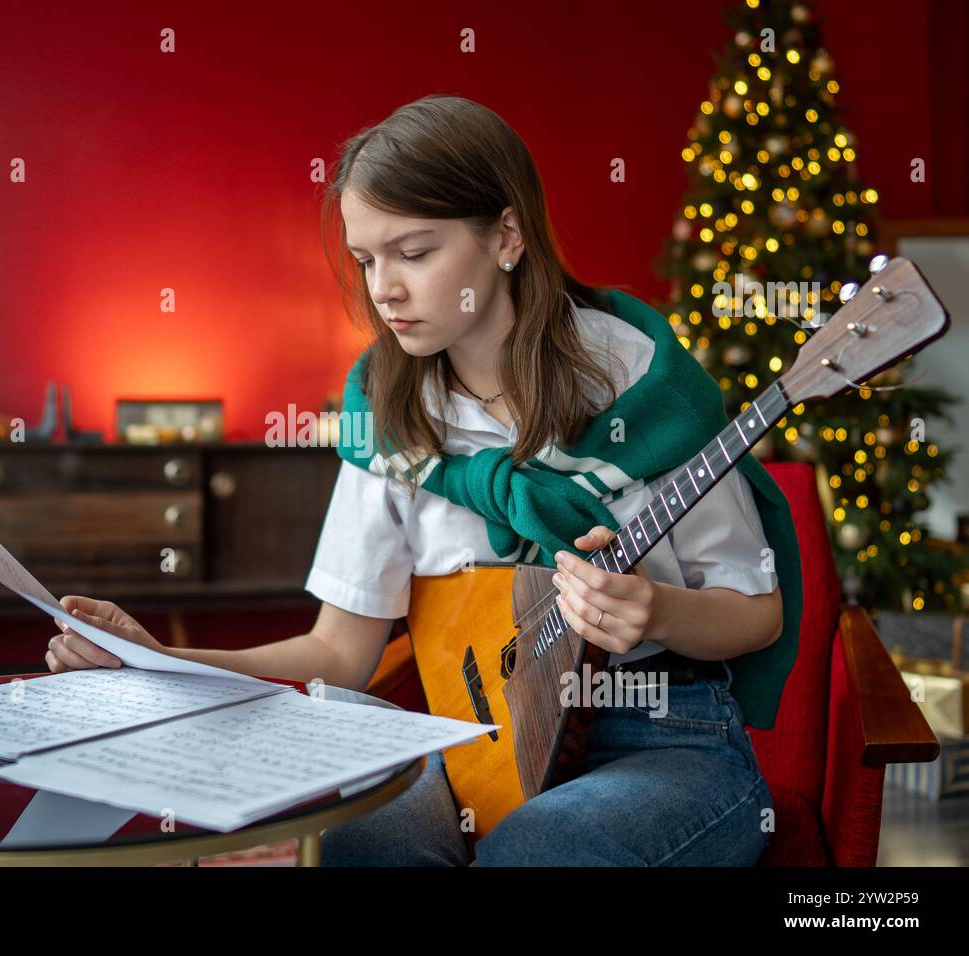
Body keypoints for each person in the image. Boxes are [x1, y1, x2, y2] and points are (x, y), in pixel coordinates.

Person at [45, 94, 794, 866]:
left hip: (666, 738)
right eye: (367, 259)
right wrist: (159, 662)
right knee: (360, 840)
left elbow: (757, 613)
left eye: (414, 253)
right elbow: (338, 654)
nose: (384, 290)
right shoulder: (390, 414)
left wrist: (657, 610)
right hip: (477, 743)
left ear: (505, 236)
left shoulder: (640, 381)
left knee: (540, 852)